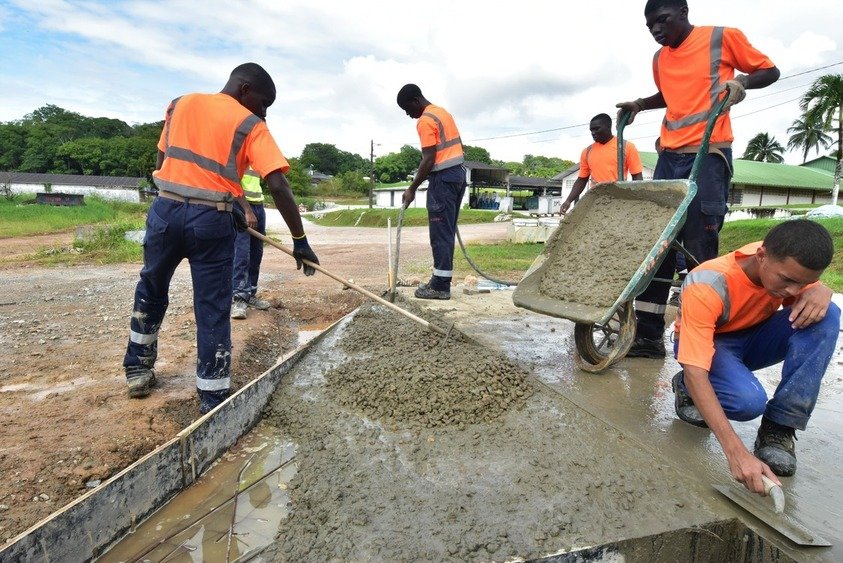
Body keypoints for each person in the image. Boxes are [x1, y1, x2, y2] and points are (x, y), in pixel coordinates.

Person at [123, 62, 319, 414]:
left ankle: (137, 367)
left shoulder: (179, 104)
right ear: (245, 89)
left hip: (165, 213)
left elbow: (164, 158)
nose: (264, 111)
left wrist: (230, 203)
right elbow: (277, 183)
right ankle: (212, 397)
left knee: (151, 287)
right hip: (210, 223)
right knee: (213, 305)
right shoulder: (249, 124)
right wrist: (300, 239)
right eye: (264, 102)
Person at [616, 0, 780, 358]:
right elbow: (673, 96)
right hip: (668, 157)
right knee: (656, 249)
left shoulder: (721, 38)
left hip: (708, 156)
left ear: (683, 13)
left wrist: (741, 82)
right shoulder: (660, 59)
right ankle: (647, 337)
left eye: (662, 20)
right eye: (650, 27)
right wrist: (641, 104)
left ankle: (704, 343)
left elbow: (770, 70)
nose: (657, 30)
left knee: (698, 250)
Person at [671, 220, 838, 494]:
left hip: (750, 336)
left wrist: (822, 290)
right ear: (761, 257)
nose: (795, 292)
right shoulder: (708, 284)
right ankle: (686, 386)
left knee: (827, 315)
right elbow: (697, 369)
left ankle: (780, 427)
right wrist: (736, 452)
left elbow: (805, 286)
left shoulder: (782, 260)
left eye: (805, 283)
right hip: (707, 344)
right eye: (788, 281)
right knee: (746, 402)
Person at [396, 83, 467, 300]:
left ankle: (440, 286)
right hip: (458, 175)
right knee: (446, 232)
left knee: (440, 234)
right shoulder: (442, 113)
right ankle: (440, 279)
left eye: (408, 109)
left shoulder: (425, 120)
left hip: (443, 179)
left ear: (416, 101)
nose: (409, 115)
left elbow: (428, 159)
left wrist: (411, 189)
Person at [560, 113, 644, 214]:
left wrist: (638, 201)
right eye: (591, 130)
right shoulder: (587, 151)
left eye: (596, 129)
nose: (593, 133)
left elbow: (637, 177)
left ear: (608, 126)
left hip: (619, 198)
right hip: (597, 199)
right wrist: (568, 201)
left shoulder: (626, 147)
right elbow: (582, 179)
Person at [231, 167, 270, 320]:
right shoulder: (236, 150)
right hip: (241, 205)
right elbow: (232, 180)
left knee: (256, 253)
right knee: (241, 253)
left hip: (258, 204)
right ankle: (239, 299)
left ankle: (250, 294)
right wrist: (247, 210)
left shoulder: (255, 154)